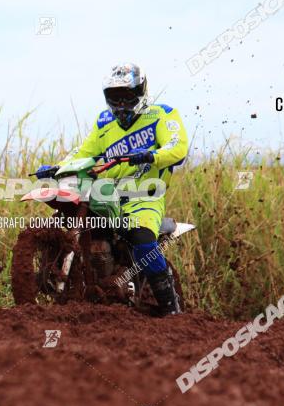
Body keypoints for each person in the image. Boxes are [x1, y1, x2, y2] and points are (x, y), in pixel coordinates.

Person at [36, 63, 189, 316]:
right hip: (108, 194)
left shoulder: (162, 114)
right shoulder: (104, 121)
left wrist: (151, 156)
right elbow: (84, 153)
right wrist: (57, 168)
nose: (121, 103)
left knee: (143, 243)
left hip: (144, 197)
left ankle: (172, 309)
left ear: (141, 91)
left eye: (127, 96)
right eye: (114, 97)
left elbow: (177, 146)